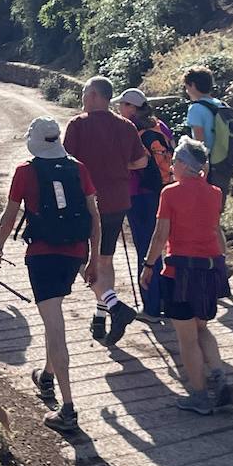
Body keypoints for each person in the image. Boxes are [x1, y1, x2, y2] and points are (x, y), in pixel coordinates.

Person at [0, 118, 100, 434]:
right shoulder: (79, 168)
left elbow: (10, 214)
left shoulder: (26, 171)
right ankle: (47, 376)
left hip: (42, 255)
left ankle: (67, 409)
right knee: (54, 319)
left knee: (55, 325)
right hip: (75, 253)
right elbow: (94, 215)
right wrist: (92, 259)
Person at [141, 138, 230, 414]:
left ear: (182, 164)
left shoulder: (170, 194)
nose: (171, 166)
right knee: (202, 328)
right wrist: (223, 263)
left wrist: (148, 265)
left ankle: (200, 398)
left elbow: (160, 235)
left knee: (186, 337)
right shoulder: (215, 193)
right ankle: (218, 375)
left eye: (174, 161)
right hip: (207, 271)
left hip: (179, 273)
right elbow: (216, 231)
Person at [63, 76, 149, 346]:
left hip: (87, 204)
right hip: (118, 201)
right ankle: (100, 318)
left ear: (95, 96)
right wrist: (119, 167)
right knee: (106, 260)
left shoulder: (78, 125)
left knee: (79, 258)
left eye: (85, 93)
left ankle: (113, 305)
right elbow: (142, 160)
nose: (83, 98)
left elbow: (66, 163)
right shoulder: (125, 126)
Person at [117, 88, 173, 319]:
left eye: (122, 105)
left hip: (139, 193)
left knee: (145, 247)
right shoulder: (161, 125)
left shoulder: (131, 130)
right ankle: (167, 301)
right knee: (163, 244)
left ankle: (150, 307)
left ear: (131, 107)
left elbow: (134, 162)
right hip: (164, 189)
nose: (119, 108)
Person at [182, 66, 233, 201]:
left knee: (203, 207)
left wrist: (198, 168)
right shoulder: (220, 104)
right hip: (225, 161)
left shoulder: (196, 108)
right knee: (217, 207)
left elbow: (199, 142)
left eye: (186, 87)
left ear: (192, 85)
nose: (186, 91)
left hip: (209, 166)